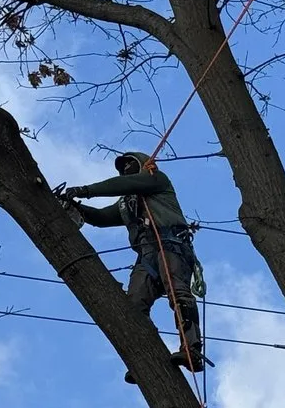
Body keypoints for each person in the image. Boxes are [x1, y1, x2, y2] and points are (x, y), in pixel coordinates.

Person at [64, 151, 206, 383]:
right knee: (133, 306)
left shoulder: (156, 180)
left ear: (143, 165)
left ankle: (192, 349)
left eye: (131, 163)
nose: (126, 167)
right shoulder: (127, 203)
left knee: (177, 291)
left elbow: (124, 183)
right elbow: (101, 217)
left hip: (171, 243)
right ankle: (149, 360)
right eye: (122, 166)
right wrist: (78, 207)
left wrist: (85, 190)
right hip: (146, 255)